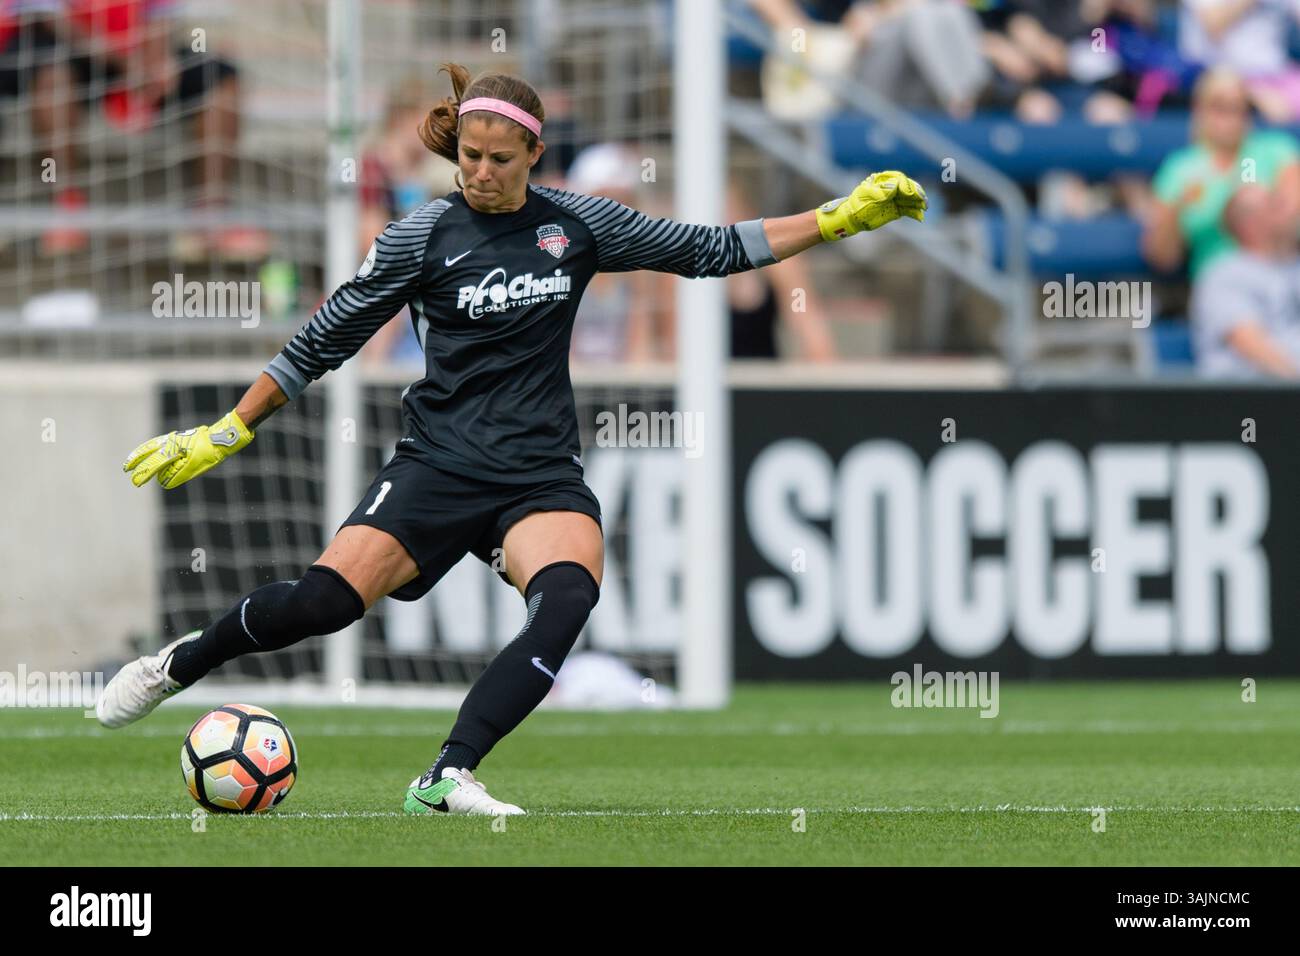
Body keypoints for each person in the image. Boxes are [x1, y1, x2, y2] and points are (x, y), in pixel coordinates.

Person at [96, 62, 926, 815]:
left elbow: (705, 250)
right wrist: (229, 428)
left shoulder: (578, 224)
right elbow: (324, 338)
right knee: (324, 605)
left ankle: (447, 775)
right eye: (469, 159)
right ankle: (178, 666)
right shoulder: (421, 235)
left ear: (533, 153)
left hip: (537, 472)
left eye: (499, 159)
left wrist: (835, 217)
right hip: (438, 464)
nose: (481, 174)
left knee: (567, 597)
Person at [1144, 66, 1300, 278]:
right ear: (1200, 109)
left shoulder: (1274, 150)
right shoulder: (1181, 168)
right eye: (1219, 105)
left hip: (1279, 270)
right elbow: (1162, 256)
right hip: (1219, 278)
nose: (1229, 115)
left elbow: (1293, 219)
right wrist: (1176, 211)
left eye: (1238, 105)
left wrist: (1259, 210)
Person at [1191, 183, 1300, 377]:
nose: (1292, 211)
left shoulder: (1294, 266)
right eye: (1276, 205)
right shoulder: (1223, 274)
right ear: (1250, 224)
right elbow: (1250, 344)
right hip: (1251, 397)